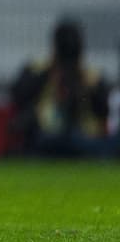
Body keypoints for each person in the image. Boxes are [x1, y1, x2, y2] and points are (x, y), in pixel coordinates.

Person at [9, 18, 115, 157]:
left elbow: (105, 111)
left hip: (83, 137)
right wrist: (48, 76)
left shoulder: (91, 78)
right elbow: (18, 98)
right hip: (46, 136)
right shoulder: (39, 71)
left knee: (77, 141)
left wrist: (86, 89)